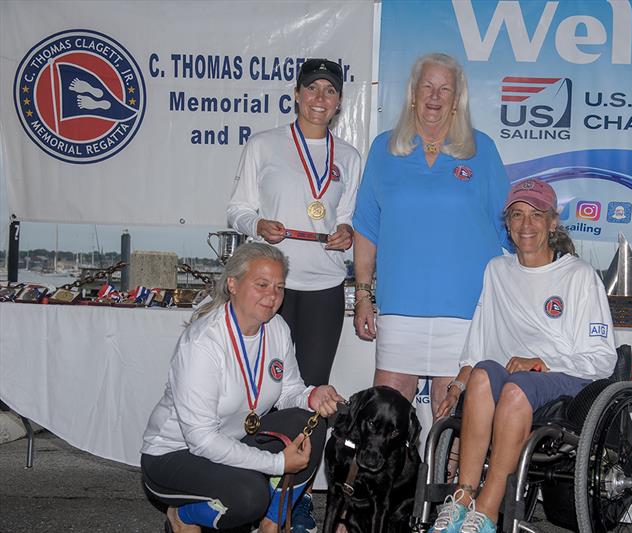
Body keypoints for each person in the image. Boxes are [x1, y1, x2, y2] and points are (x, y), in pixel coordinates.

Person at [429, 179, 617, 533]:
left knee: (516, 388)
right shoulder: (497, 271)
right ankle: (463, 498)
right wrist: (457, 385)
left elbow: (602, 358)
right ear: (508, 224)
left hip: (565, 377)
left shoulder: (579, 275)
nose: (525, 224)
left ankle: (487, 510)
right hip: (516, 378)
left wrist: (544, 363)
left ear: (552, 223)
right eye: (517, 215)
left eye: (536, 215)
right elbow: (480, 343)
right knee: (483, 376)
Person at [228, 59, 361, 529]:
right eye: (312, 88)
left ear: (339, 101)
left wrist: (344, 231)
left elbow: (345, 217)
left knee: (314, 398)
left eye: (329, 90)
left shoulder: (348, 155)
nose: (320, 98)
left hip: (324, 286)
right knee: (259, 389)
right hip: (271, 288)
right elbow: (238, 210)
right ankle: (244, 482)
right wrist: (256, 225)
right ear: (297, 94)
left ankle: (295, 497)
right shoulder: (264, 145)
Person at [141, 242, 343, 533]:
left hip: (234, 441)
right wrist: (276, 463)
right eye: (262, 284)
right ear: (233, 284)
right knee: (250, 497)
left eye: (279, 287)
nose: (272, 296)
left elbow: (289, 391)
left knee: (310, 422)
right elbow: (201, 440)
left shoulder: (276, 328)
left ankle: (272, 523)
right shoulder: (203, 343)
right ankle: (183, 516)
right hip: (176, 454)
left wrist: (312, 395)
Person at [352, 53, 509, 419]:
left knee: (451, 415)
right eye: (427, 86)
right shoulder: (384, 149)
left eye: (445, 89)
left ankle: (448, 479)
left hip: (465, 308)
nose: (435, 96)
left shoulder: (481, 150)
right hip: (399, 304)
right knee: (385, 416)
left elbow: (510, 226)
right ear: (412, 93)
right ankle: (393, 481)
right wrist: (363, 294)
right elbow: (366, 227)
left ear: (457, 100)